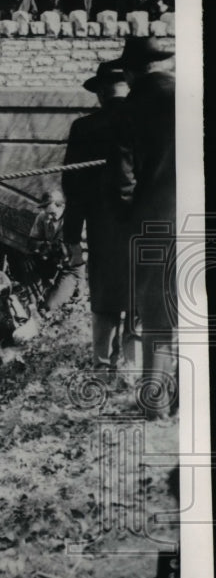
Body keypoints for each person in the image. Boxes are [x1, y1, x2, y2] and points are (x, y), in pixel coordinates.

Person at [108, 36, 176, 418]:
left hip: (155, 222)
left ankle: (157, 404)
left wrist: (126, 222)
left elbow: (123, 178)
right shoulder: (186, 93)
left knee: (157, 316)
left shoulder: (129, 107)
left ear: (132, 71)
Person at [62, 61, 135, 374]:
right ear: (127, 87)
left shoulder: (85, 128)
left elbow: (73, 189)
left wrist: (71, 236)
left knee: (104, 300)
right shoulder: (147, 122)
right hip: (142, 223)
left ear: (102, 91)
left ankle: (102, 366)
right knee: (138, 300)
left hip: (102, 227)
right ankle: (134, 369)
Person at [28, 189, 76, 311]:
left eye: (52, 213)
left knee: (49, 306)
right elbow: (31, 242)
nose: (48, 217)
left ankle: (72, 291)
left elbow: (76, 255)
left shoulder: (74, 221)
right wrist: (43, 246)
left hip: (69, 268)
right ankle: (39, 295)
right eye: (46, 213)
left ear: (62, 207)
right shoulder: (43, 217)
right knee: (31, 296)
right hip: (50, 262)